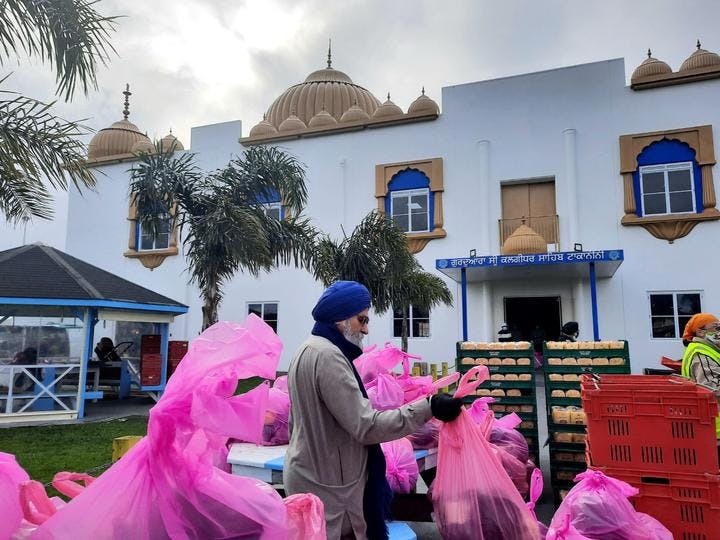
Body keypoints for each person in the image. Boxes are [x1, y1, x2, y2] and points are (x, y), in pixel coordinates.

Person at [284, 280, 462, 540]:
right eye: (361, 320)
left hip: (310, 475)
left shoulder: (305, 349)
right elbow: (366, 426)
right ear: (340, 320)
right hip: (331, 488)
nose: (366, 330)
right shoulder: (329, 357)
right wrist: (429, 406)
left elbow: (295, 423)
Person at [680, 313, 720, 438]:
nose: (719, 332)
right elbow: (713, 388)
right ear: (700, 332)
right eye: (716, 328)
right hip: (715, 429)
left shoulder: (709, 350)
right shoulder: (701, 354)